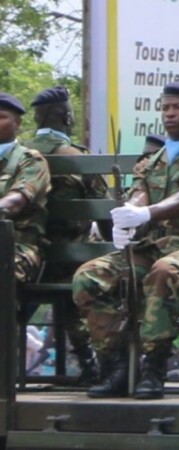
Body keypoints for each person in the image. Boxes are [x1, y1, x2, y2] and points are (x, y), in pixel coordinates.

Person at [72, 82, 179, 400]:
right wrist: (127, 217)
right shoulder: (151, 161)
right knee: (88, 276)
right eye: (165, 108)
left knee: (164, 271)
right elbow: (139, 194)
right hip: (151, 248)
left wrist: (145, 214)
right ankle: (117, 365)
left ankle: (153, 368)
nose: (170, 114)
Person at [24, 87, 110, 384]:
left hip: (25, 260)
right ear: (67, 117)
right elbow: (104, 214)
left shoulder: (19, 155)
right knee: (87, 272)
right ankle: (91, 364)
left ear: (37, 118)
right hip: (71, 260)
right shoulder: (79, 158)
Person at [0, 93, 50, 285]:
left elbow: (14, 203)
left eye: (1, 117)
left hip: (17, 248)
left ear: (18, 123)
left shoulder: (30, 160)